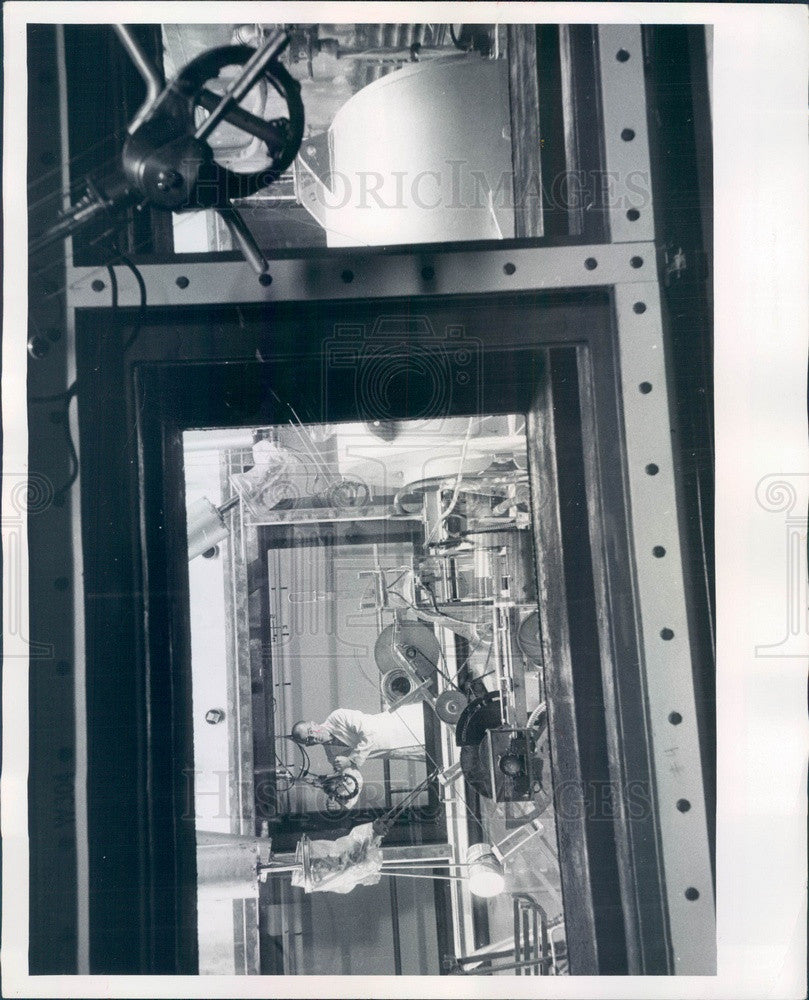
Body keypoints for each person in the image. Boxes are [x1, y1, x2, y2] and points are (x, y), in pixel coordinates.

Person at [290, 703, 425, 772]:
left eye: (310, 731)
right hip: (405, 751)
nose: (313, 736)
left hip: (405, 724)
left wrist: (352, 761)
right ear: (308, 745)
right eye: (308, 739)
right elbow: (352, 778)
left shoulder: (337, 717)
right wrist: (331, 786)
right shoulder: (332, 757)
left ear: (314, 723)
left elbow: (369, 732)